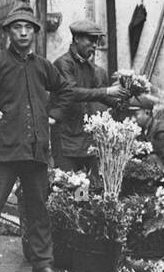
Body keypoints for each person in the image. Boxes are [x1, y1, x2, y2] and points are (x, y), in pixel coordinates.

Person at [0, 3, 107, 272]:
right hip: (5, 149)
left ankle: (43, 264)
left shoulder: (42, 66)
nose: (23, 33)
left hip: (36, 150)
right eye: (17, 28)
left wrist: (52, 116)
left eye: (28, 28)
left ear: (35, 33)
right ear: (8, 33)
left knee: (38, 209)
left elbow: (65, 90)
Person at [50, 18, 130, 172]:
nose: (94, 45)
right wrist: (108, 91)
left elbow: (100, 94)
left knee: (92, 189)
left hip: (87, 140)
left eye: (96, 41)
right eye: (91, 40)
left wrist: (121, 98)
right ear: (77, 39)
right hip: (66, 139)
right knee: (67, 186)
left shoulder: (90, 68)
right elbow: (71, 92)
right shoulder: (63, 64)